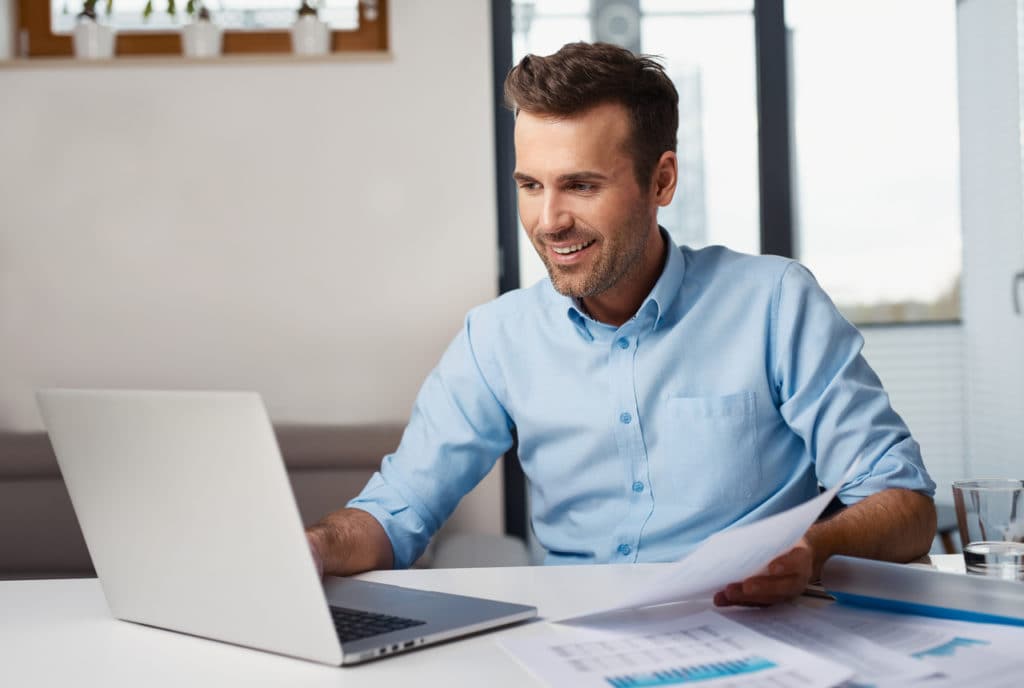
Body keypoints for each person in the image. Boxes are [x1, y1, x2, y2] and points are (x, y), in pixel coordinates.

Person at [306, 42, 936, 606]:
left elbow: (905, 506)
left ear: (661, 180)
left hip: (757, 636)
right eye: (531, 184)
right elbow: (397, 514)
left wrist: (812, 549)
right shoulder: (495, 339)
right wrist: (315, 547)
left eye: (581, 186)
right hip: (573, 648)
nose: (549, 220)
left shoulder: (774, 303)